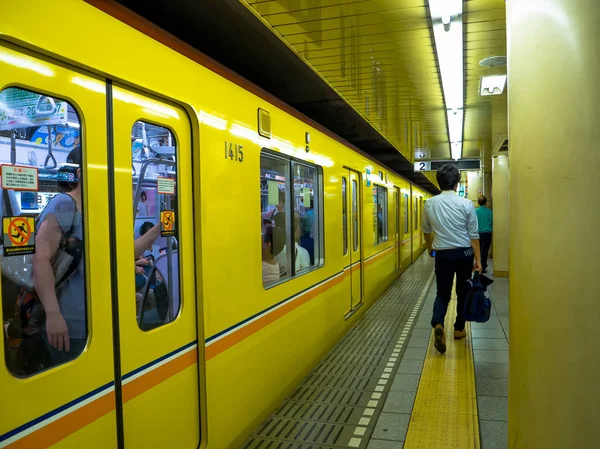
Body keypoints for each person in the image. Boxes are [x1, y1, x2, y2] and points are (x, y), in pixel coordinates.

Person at [422, 164, 482, 354]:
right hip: (464, 253)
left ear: (440, 183)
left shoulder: (430, 203)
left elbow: (426, 230)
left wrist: (430, 248)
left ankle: (438, 323)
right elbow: (473, 234)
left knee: (442, 293)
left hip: (443, 254)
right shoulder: (466, 204)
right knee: (463, 292)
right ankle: (458, 329)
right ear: (457, 184)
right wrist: (478, 260)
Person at [33, 147, 86, 364]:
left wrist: (161, 227)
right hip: (69, 321)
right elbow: (40, 258)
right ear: (81, 173)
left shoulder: (97, 208)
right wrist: (53, 315)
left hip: (96, 316)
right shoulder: (66, 205)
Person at [475, 195, 493, 273]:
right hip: (487, 234)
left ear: (478, 203)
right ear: (486, 202)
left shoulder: (475, 212)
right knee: (484, 251)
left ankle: (477, 265)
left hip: (477, 233)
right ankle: (483, 266)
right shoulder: (490, 212)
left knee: (477, 250)